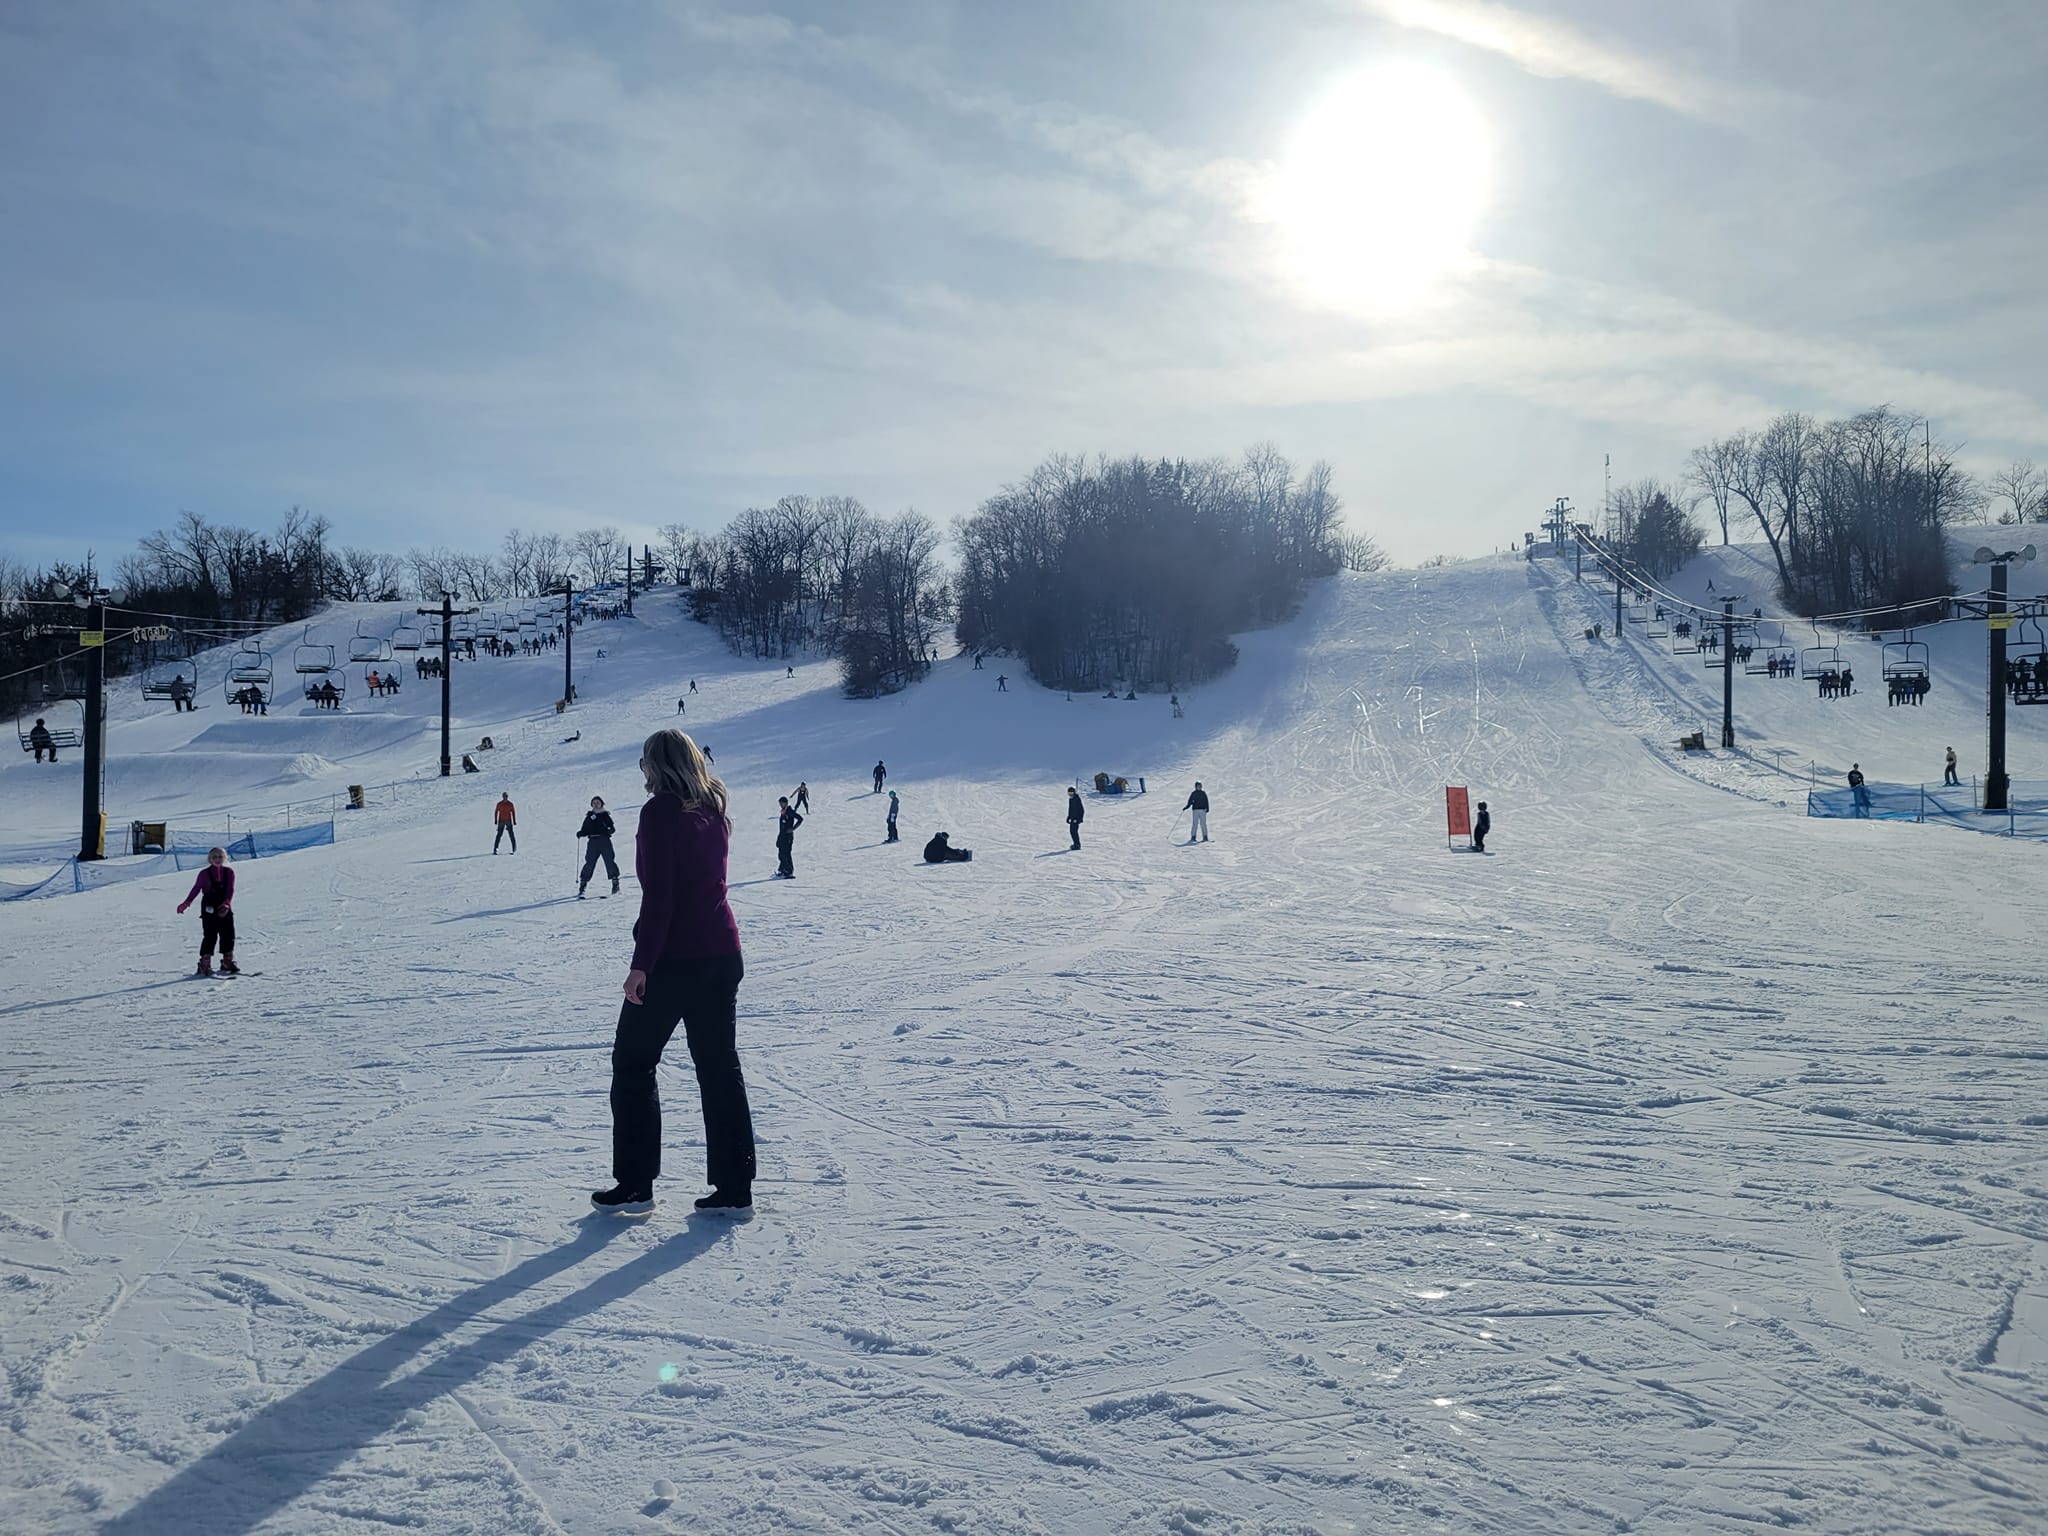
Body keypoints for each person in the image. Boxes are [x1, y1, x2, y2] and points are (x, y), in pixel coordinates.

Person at [593, 728, 755, 1217]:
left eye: (643, 760)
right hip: (722, 954)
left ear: (656, 764)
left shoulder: (660, 812)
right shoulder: (712, 811)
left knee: (633, 1062)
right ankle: (734, 1188)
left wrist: (640, 966)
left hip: (674, 959)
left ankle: (635, 1184)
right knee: (718, 1068)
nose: (641, 769)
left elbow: (660, 897)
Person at [176, 846, 239, 976]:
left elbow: (230, 889)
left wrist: (227, 904)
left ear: (225, 858)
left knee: (228, 934)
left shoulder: (229, 872)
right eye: (214, 857)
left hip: (224, 905)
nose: (217, 859)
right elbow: (196, 889)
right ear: (209, 859)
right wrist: (186, 903)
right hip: (209, 906)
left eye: (220, 856)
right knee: (210, 935)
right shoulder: (204, 874)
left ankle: (227, 960)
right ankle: (205, 963)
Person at [577, 795, 620, 898]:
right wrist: (580, 833)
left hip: (605, 841)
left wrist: (608, 831)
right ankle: (582, 887)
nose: (596, 804)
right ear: (591, 804)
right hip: (593, 841)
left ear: (601, 804)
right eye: (594, 803)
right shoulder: (589, 816)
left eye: (598, 803)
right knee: (589, 862)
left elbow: (612, 828)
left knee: (609, 861)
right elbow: (585, 829)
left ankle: (615, 885)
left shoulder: (605, 815)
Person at [774, 795, 802, 879]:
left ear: (785, 803)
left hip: (788, 837)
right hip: (782, 836)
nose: (780, 805)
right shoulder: (783, 811)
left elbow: (800, 819)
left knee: (786, 854)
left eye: (781, 803)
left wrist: (793, 828)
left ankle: (789, 871)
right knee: (781, 853)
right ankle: (783, 869)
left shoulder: (790, 811)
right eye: (780, 804)